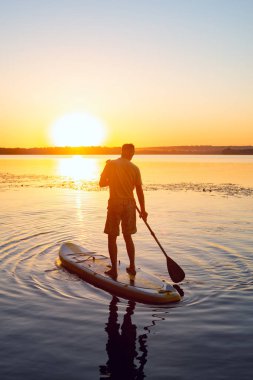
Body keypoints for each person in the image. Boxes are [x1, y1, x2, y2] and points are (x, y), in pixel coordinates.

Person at [99, 143, 148, 278]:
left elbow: (102, 183)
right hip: (130, 204)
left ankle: (114, 270)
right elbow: (139, 191)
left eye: (133, 152)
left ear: (122, 152)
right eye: (132, 153)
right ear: (127, 152)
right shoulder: (135, 168)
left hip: (115, 203)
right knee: (128, 236)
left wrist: (108, 172)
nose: (132, 155)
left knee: (112, 237)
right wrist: (143, 211)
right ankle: (132, 266)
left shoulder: (111, 164)